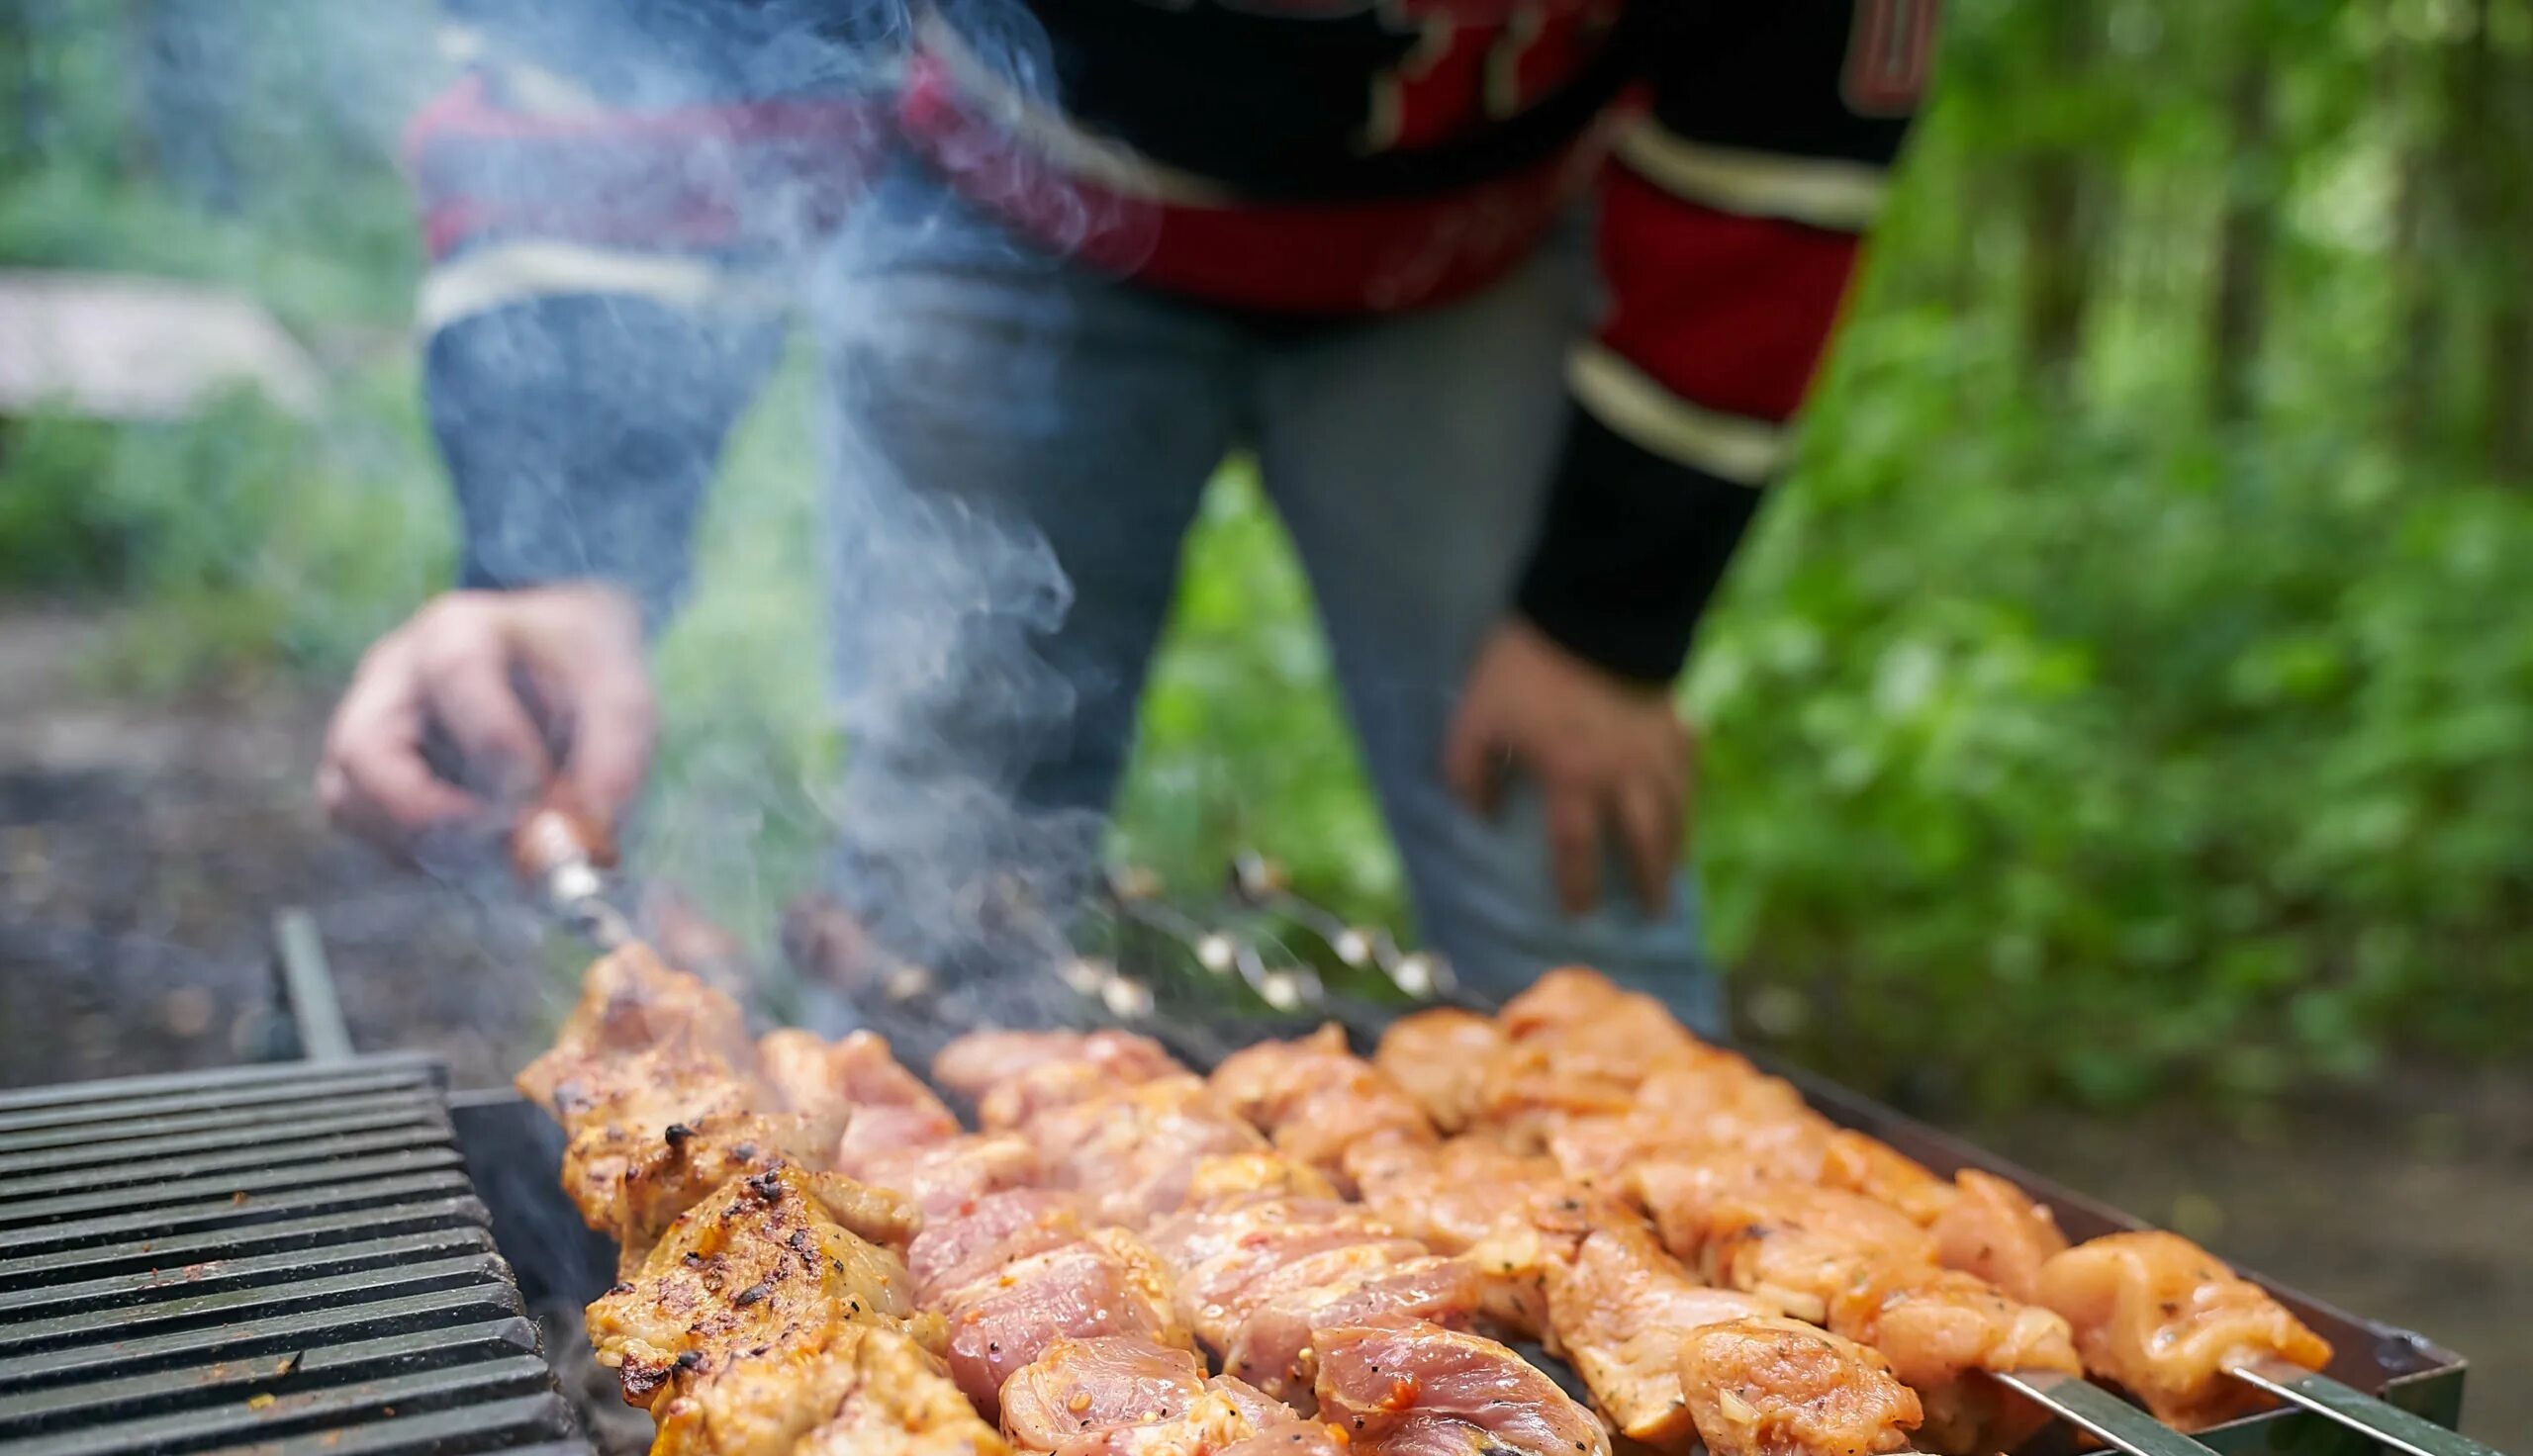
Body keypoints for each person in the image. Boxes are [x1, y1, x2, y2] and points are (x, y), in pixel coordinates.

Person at [319, 0, 1937, 1028]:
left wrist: (1606, 618)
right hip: (1009, 206)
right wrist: (563, 555)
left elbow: (1781, 140)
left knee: (1564, 852)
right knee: (938, 905)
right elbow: (647, 37)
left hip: (1474, 251)